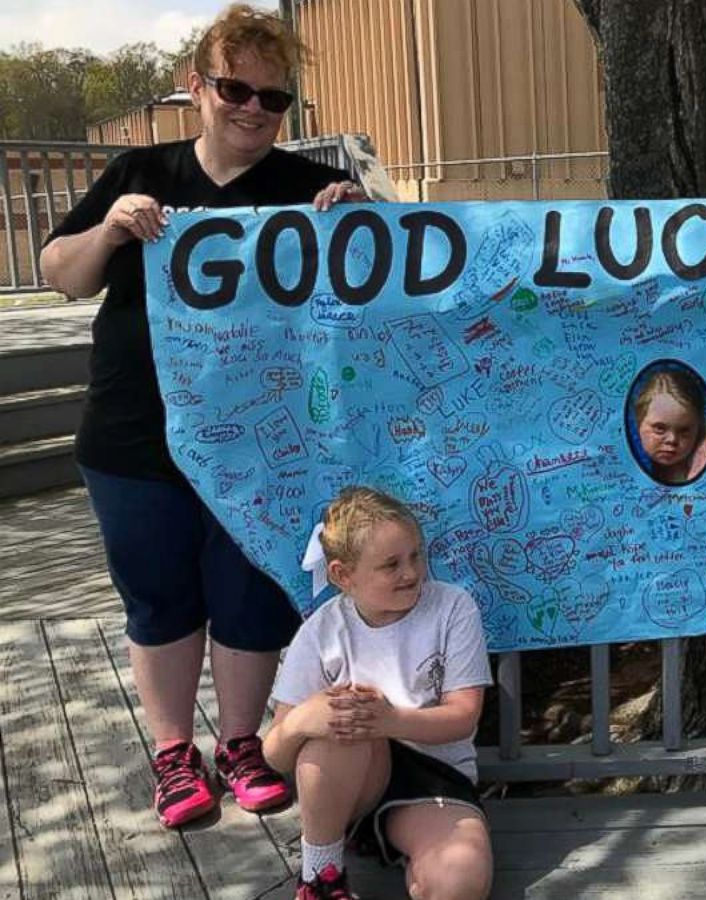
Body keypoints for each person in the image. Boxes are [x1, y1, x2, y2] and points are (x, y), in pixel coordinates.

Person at [38, 3, 368, 829]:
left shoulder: (305, 190)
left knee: (251, 597)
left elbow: (371, 290)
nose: (253, 108)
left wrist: (362, 220)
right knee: (159, 602)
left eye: (274, 97)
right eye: (235, 88)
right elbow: (61, 273)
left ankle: (242, 743)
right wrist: (111, 230)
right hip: (132, 435)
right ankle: (175, 753)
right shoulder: (138, 170)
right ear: (197, 87)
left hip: (266, 443)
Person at [264, 487, 493, 900]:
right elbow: (275, 754)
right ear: (342, 575)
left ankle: (415, 858)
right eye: (391, 565)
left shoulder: (452, 608)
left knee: (460, 884)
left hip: (433, 780)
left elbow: (463, 716)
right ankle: (320, 876)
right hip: (347, 792)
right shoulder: (321, 632)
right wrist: (303, 720)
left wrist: (391, 720)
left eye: (416, 555)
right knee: (340, 721)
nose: (411, 572)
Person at [632, 366, 706, 484]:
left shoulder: (703, 457)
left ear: (698, 429)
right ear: (639, 423)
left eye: (684, 430)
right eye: (659, 428)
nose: (672, 440)